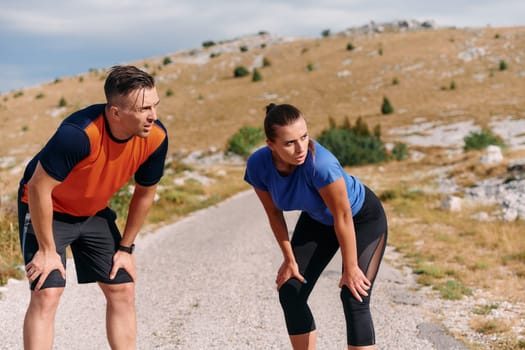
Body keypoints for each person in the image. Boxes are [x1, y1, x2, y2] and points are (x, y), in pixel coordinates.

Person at [17, 65, 168, 350]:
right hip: (48, 208)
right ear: (115, 113)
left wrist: (125, 249)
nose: (153, 116)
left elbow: (145, 194)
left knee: (122, 287)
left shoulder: (156, 137)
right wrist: (48, 251)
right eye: (144, 109)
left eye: (155, 106)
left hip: (93, 212)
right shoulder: (79, 134)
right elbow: (38, 187)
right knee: (47, 291)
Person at [244, 103, 388, 350]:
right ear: (271, 145)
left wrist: (351, 267)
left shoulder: (321, 164)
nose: (301, 148)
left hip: (360, 218)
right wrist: (289, 259)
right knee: (291, 290)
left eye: (304, 136)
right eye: (289, 143)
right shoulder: (258, 166)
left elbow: (343, 216)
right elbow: (273, 213)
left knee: (354, 295)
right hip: (319, 219)